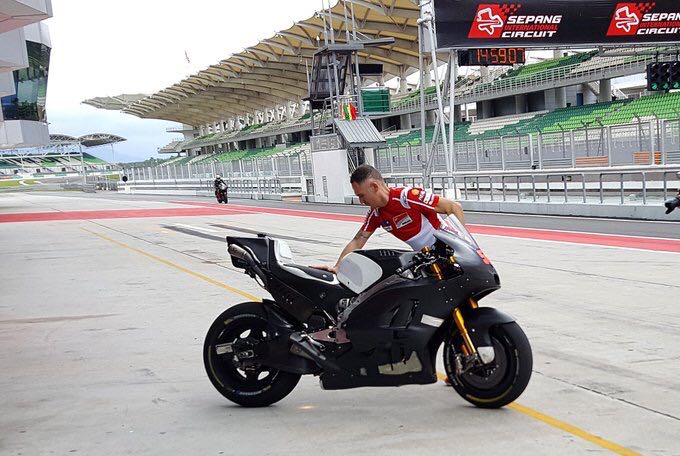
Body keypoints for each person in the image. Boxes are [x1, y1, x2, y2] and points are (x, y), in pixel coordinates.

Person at [316, 164, 465, 274]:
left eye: (362, 195)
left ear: (374, 187)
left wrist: (461, 245)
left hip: (450, 253)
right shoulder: (376, 214)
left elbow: (454, 207)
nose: (361, 201)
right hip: (426, 260)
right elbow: (358, 240)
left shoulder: (408, 197)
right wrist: (338, 267)